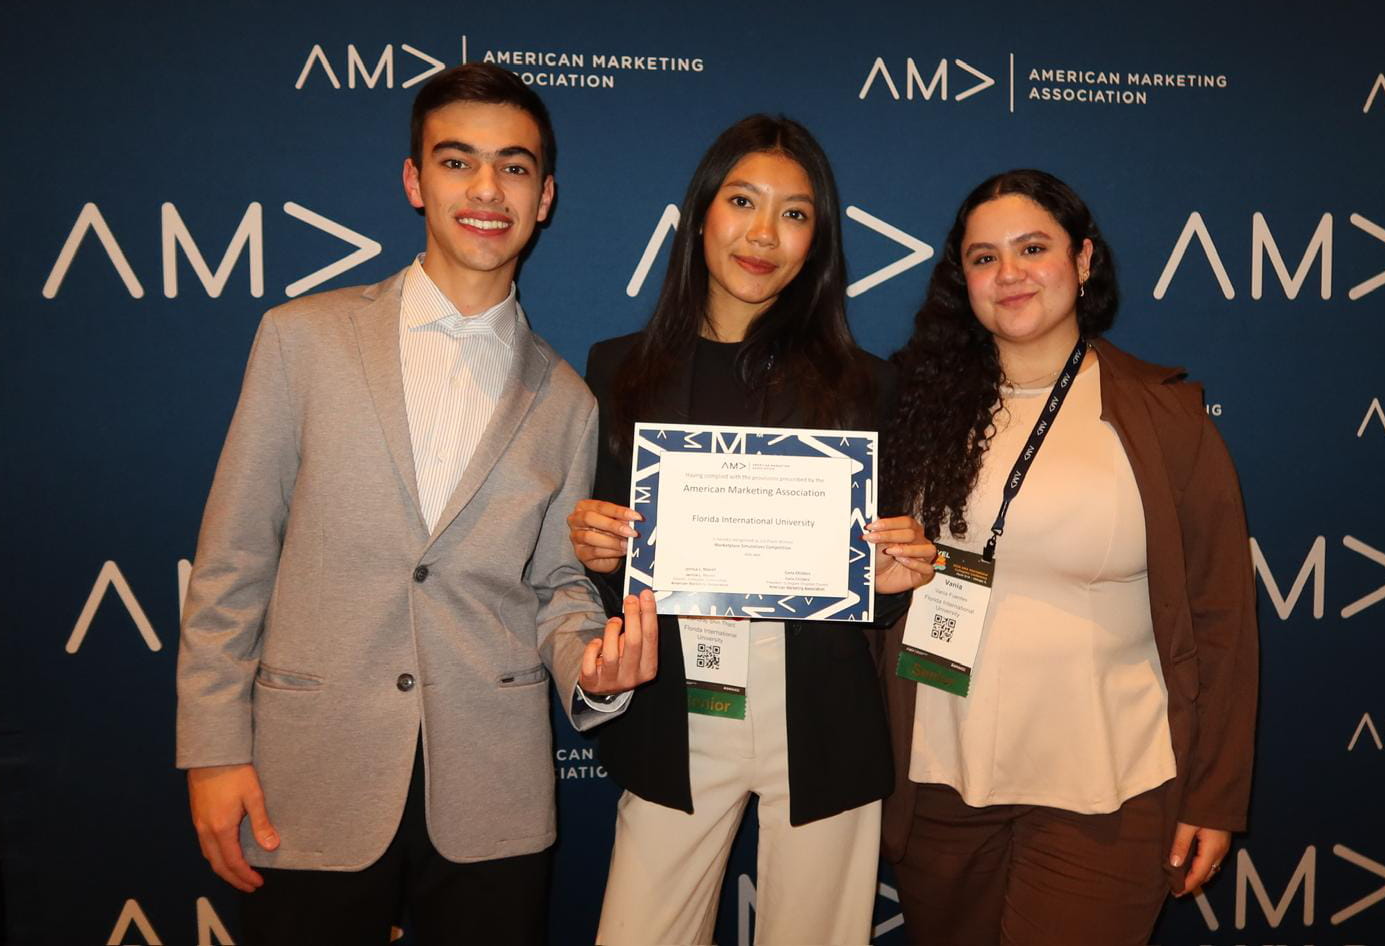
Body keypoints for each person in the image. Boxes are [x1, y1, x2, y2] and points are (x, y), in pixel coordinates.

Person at [175, 62, 658, 946]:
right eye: (456, 161)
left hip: (492, 792)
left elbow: (557, 584)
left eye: (514, 167)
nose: (486, 189)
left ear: (544, 196)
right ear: (414, 180)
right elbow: (234, 557)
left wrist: (590, 666)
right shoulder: (302, 341)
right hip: (311, 773)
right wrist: (213, 748)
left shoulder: (568, 399)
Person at [567, 114, 936, 945]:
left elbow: (871, 594)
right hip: (673, 704)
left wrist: (888, 583)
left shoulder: (866, 387)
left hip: (819, 714)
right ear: (701, 214)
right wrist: (594, 549)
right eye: (743, 201)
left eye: (795, 214)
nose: (764, 234)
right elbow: (611, 569)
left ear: (817, 243)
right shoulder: (616, 369)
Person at [878, 169, 1259, 945]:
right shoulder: (911, 407)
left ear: (1084, 261)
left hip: (1106, 789)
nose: (1009, 274)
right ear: (963, 279)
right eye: (984, 258)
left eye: (1032, 248)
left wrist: (1213, 796)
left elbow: (1223, 616)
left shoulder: (1162, 415)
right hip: (941, 781)